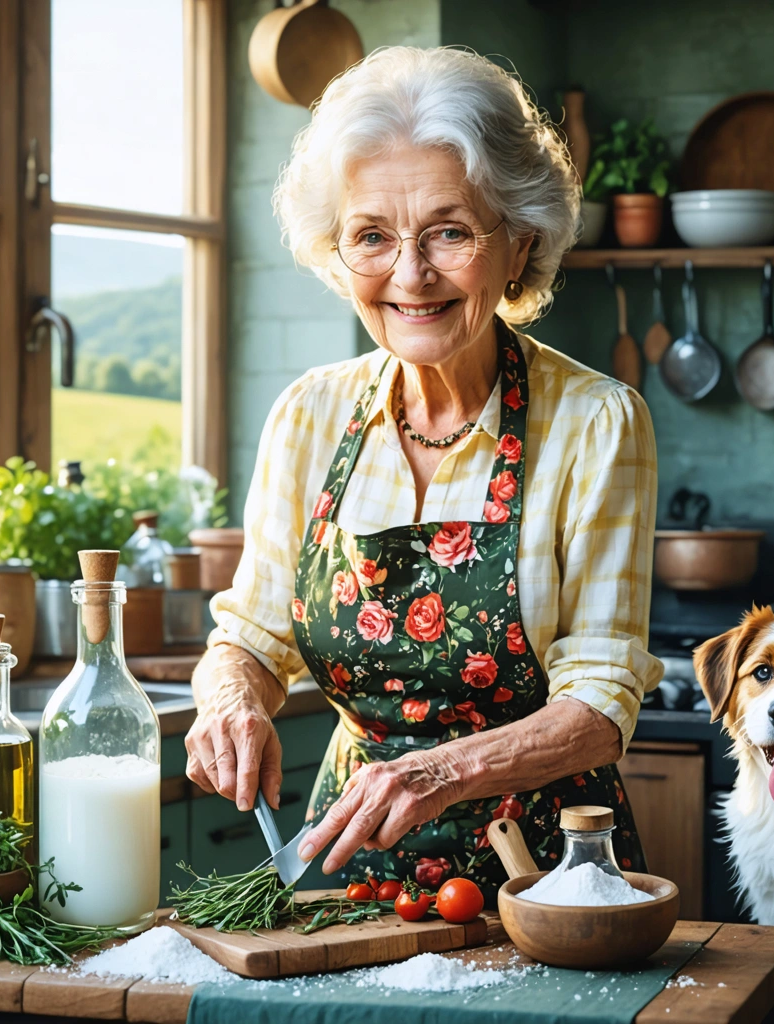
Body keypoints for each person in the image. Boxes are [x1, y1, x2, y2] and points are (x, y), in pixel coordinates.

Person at [186, 46, 661, 902]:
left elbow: (599, 707)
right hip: (343, 876)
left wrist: (434, 773)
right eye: (372, 236)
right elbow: (252, 639)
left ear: (518, 245)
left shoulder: (596, 423)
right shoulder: (309, 414)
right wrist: (230, 698)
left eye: (450, 230)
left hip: (549, 884)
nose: (410, 274)